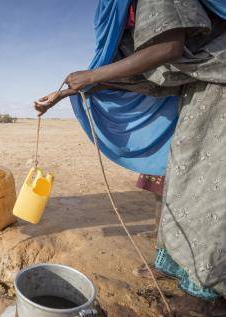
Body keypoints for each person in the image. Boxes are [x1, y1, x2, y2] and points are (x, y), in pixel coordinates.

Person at [35, 0, 225, 302]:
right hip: (200, 85)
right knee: (179, 179)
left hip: (219, 81)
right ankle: (176, 265)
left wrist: (93, 76)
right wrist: (66, 92)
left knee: (205, 190)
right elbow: (142, 65)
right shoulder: (122, 8)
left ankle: (205, 285)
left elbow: (168, 48)